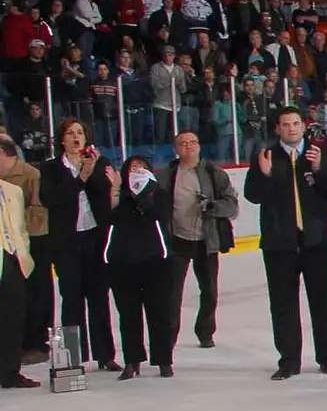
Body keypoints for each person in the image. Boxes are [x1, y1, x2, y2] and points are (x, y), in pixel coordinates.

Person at [245, 106, 327, 381]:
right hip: (280, 242)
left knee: (322, 301)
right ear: (278, 129)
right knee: (283, 303)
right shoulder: (265, 157)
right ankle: (289, 360)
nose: (292, 128)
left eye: (296, 123)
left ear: (303, 126)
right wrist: (263, 175)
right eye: (286, 124)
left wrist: (318, 169)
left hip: (317, 240)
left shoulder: (318, 153)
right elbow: (253, 195)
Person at [38, 119, 118, 370]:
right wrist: (80, 177)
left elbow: (104, 195)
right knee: (71, 298)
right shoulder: (50, 168)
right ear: (62, 140)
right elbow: (51, 199)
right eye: (70, 133)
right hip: (66, 242)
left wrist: (90, 170)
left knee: (99, 297)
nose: (76, 137)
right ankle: (72, 358)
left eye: (80, 133)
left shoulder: (99, 162)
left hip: (95, 238)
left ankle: (105, 355)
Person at [157, 129, 239, 351]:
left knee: (209, 290)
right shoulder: (166, 175)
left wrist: (212, 206)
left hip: (206, 240)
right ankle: (169, 337)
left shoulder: (214, 172)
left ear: (199, 146)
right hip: (177, 240)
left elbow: (232, 205)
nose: (188, 147)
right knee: (173, 293)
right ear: (175, 149)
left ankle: (205, 331)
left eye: (192, 142)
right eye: (183, 143)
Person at [105, 156, 177, 380]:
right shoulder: (120, 195)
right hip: (122, 263)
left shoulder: (158, 193)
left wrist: (144, 196)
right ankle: (132, 360)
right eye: (133, 168)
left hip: (155, 261)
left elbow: (161, 216)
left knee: (159, 313)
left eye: (141, 168)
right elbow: (110, 218)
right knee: (128, 316)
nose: (137, 171)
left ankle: (163, 360)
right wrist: (116, 191)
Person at [0, 139, 37, 389]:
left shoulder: (13, 191)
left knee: (13, 320)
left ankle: (10, 372)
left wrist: (23, 253)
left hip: (14, 260)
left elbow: (21, 228)